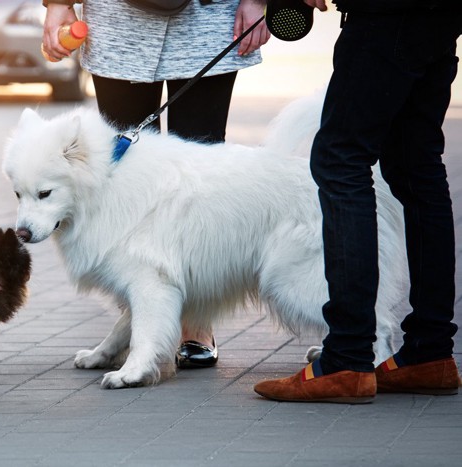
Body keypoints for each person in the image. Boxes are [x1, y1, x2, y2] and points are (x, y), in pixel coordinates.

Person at [41, 0, 270, 368]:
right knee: (123, 180)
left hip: (209, 20)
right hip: (119, 24)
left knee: (202, 182)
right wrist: (58, 4)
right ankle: (139, 319)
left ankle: (195, 322)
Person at [254, 0, 462, 403]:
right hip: (441, 14)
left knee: (340, 159)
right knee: (417, 167)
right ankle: (429, 352)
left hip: (386, 16)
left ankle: (347, 357)